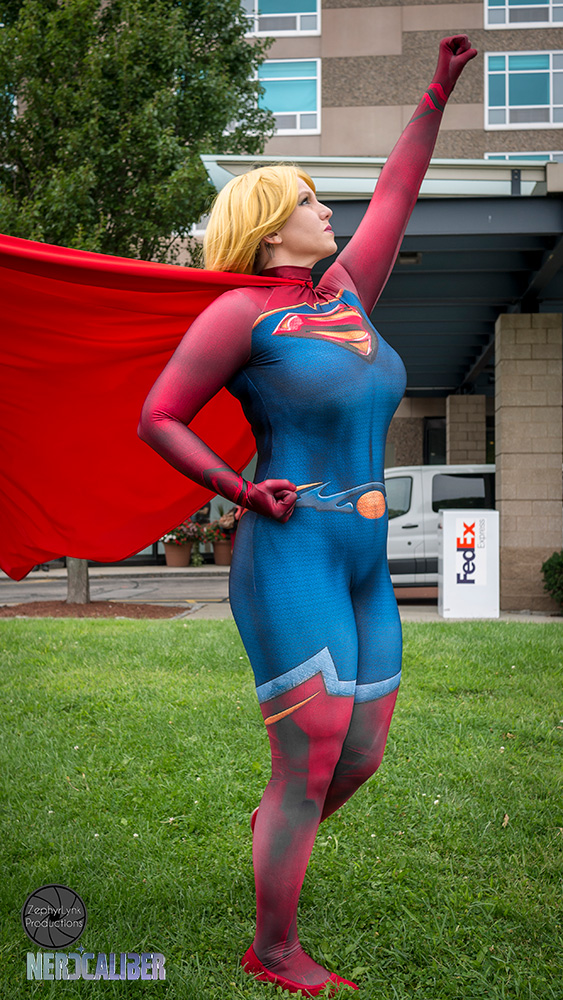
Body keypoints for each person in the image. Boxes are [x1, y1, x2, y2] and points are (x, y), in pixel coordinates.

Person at [138, 35, 476, 997]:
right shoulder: (240, 315)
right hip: (291, 551)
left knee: (358, 756)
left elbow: (398, 192)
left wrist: (436, 89)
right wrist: (238, 489)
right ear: (268, 227)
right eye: (309, 201)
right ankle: (273, 948)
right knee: (310, 754)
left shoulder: (349, 295)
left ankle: (275, 833)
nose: (329, 212)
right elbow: (159, 415)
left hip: (365, 558)